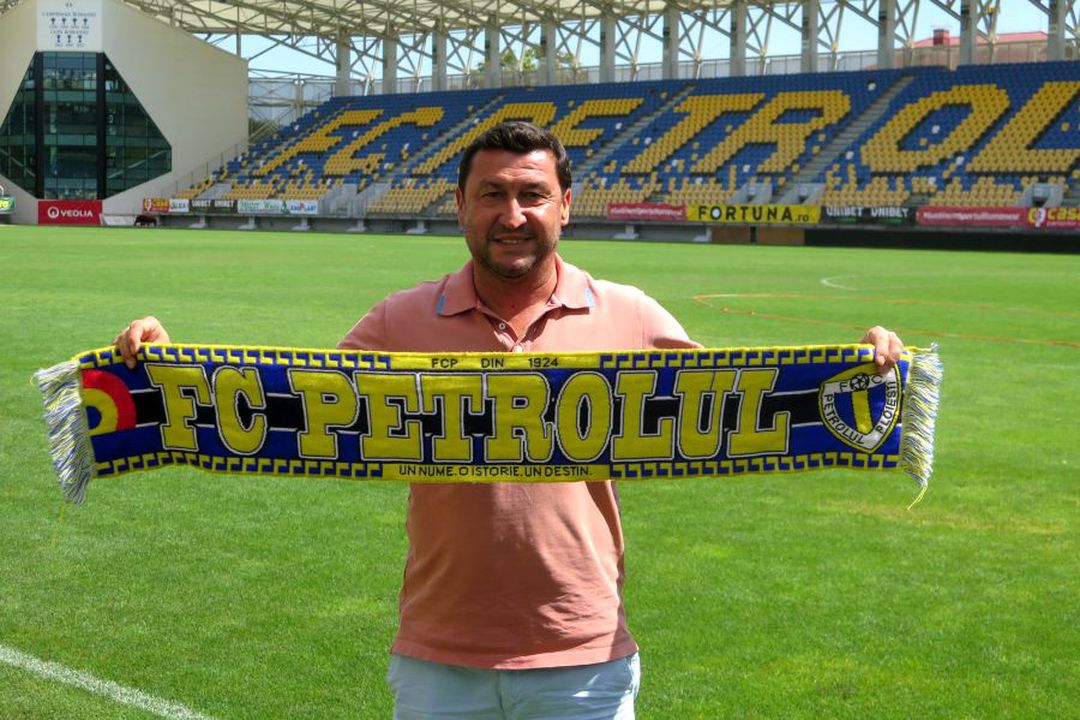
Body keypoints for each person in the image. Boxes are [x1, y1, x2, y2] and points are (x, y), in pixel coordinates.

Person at [116, 121, 904, 719]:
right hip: (438, 658)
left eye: (531, 195)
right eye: (492, 194)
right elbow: (293, 405)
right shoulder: (400, 318)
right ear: (461, 206)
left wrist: (856, 368)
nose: (512, 213)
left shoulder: (628, 313)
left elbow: (737, 402)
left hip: (582, 656)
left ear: (566, 206)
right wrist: (166, 366)